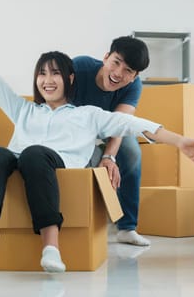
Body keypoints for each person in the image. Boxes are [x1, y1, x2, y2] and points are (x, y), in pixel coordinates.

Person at [0, 18, 194, 273]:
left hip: (55, 163)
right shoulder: (24, 109)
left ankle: (51, 248)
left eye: (55, 73)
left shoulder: (88, 115)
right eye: (42, 73)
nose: (47, 80)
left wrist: (180, 141)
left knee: (34, 155)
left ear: (70, 79)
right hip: (23, 160)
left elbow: (135, 125)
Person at [71, 37, 152, 246]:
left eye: (128, 71)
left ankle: (127, 227)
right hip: (73, 125)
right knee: (83, 158)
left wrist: (109, 157)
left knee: (132, 152)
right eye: (116, 62)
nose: (118, 73)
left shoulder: (134, 87)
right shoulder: (78, 68)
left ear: (135, 76)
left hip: (109, 126)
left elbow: (120, 124)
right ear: (105, 57)